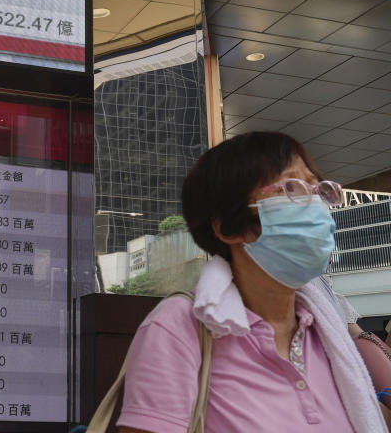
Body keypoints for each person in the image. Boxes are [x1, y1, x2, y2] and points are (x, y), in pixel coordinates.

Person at [116, 132, 387, 433]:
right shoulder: (180, 327)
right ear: (229, 228)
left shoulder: (325, 332)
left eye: (318, 189)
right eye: (292, 188)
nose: (315, 205)